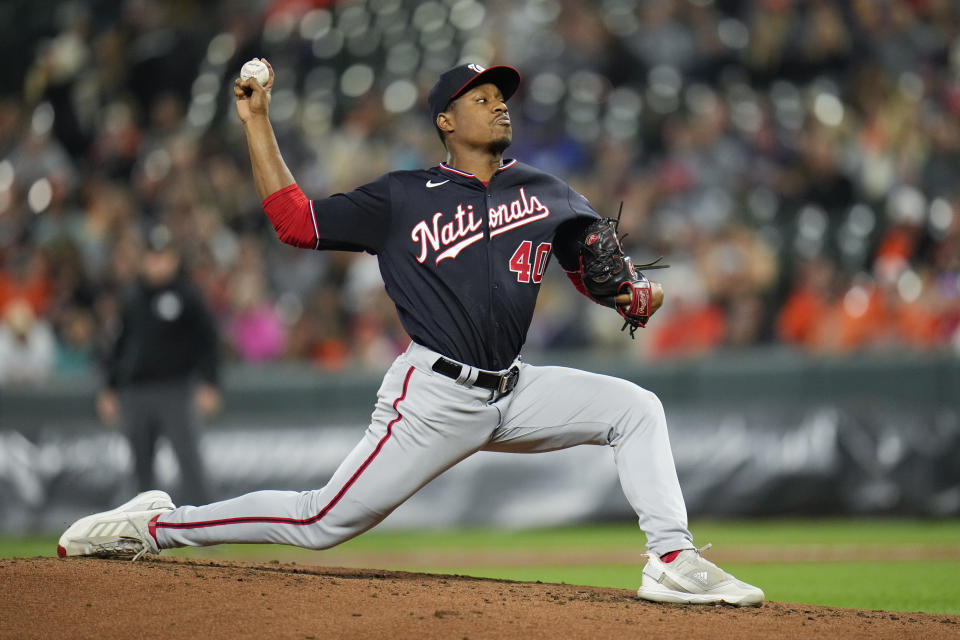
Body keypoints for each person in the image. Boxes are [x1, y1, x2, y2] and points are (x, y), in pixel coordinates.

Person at [59, 61, 763, 607]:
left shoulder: (549, 191)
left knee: (636, 409)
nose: (497, 102)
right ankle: (154, 526)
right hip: (436, 397)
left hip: (516, 388)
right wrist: (257, 121)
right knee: (320, 522)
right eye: (481, 96)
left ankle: (670, 560)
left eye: (501, 94)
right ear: (446, 121)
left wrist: (631, 295)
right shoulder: (401, 197)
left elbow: (589, 268)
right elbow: (295, 222)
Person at [95, 224, 221, 506]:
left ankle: (207, 523)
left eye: (163, 256)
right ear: (144, 259)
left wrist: (210, 383)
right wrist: (109, 388)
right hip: (137, 392)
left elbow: (210, 342)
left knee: (190, 461)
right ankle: (140, 529)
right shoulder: (131, 297)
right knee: (140, 467)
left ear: (174, 258)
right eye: (153, 256)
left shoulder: (188, 295)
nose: (158, 263)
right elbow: (116, 345)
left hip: (176, 390)